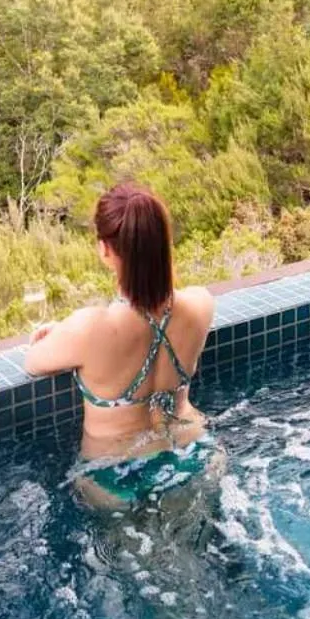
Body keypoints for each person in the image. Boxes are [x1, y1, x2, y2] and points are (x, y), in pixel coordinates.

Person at [23, 183, 219, 507]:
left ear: (105, 250)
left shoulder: (88, 328)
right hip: (194, 451)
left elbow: (32, 362)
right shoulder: (201, 304)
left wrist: (60, 332)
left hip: (114, 473)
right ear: (164, 243)